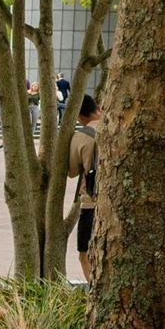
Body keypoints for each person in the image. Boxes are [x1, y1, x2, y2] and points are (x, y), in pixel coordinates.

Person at [67, 95, 101, 279]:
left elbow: (72, 171)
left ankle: (94, 289)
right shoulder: (118, 125)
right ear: (98, 107)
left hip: (91, 202)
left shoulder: (81, 136)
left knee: (84, 254)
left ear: (79, 116)